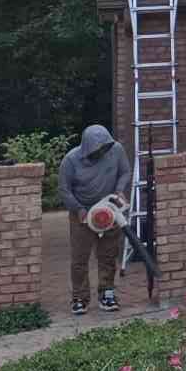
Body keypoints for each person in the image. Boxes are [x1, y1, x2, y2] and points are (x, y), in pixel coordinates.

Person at [59, 125, 130, 315]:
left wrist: (119, 189)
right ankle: (79, 298)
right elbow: (64, 189)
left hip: (108, 209)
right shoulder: (71, 160)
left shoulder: (116, 150)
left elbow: (124, 172)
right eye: (97, 149)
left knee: (108, 254)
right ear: (87, 147)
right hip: (82, 212)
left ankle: (107, 293)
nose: (101, 152)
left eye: (104, 148)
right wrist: (78, 208)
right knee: (80, 258)